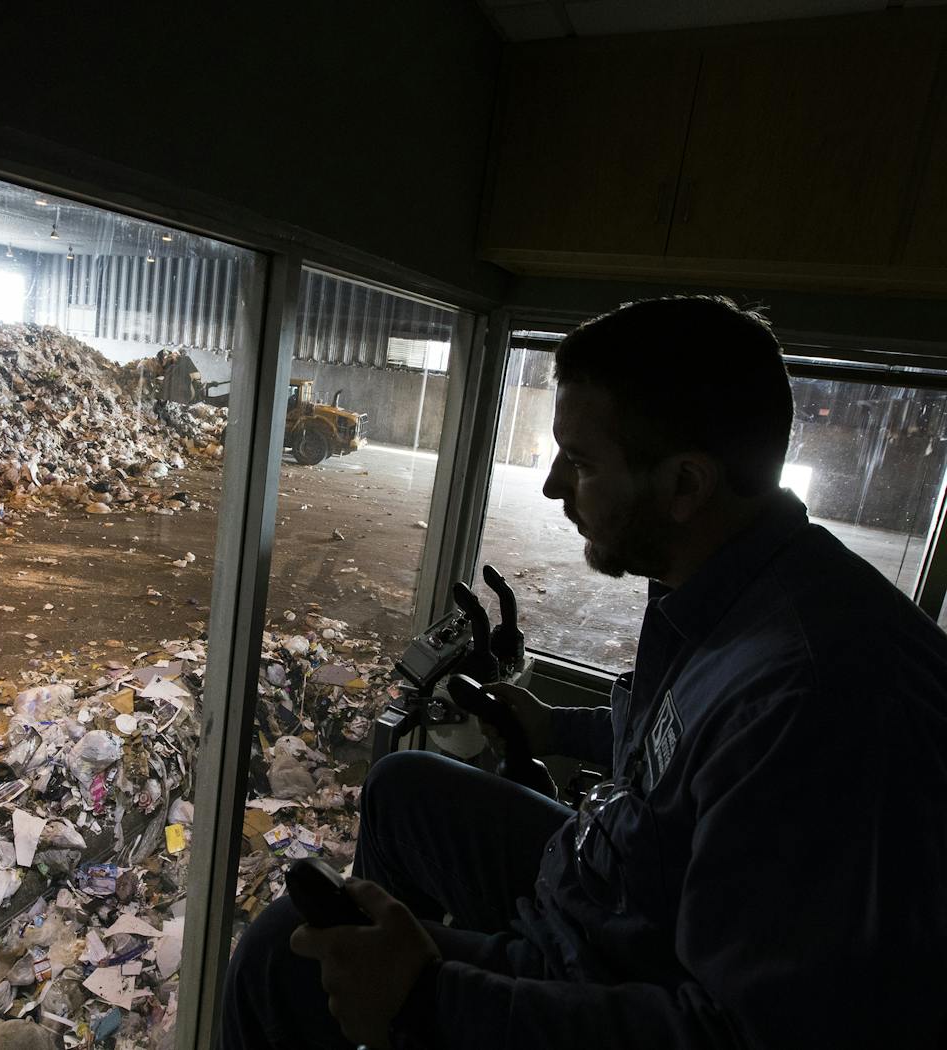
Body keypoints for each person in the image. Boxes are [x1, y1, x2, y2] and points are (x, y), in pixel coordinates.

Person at [220, 295, 947, 1049]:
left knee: (284, 951)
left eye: (583, 461)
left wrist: (430, 998)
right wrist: (554, 724)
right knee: (401, 789)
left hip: (609, 966)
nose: (551, 485)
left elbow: (740, 1035)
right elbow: (678, 750)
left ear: (686, 486)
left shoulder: (816, 701)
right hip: (612, 880)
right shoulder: (717, 584)